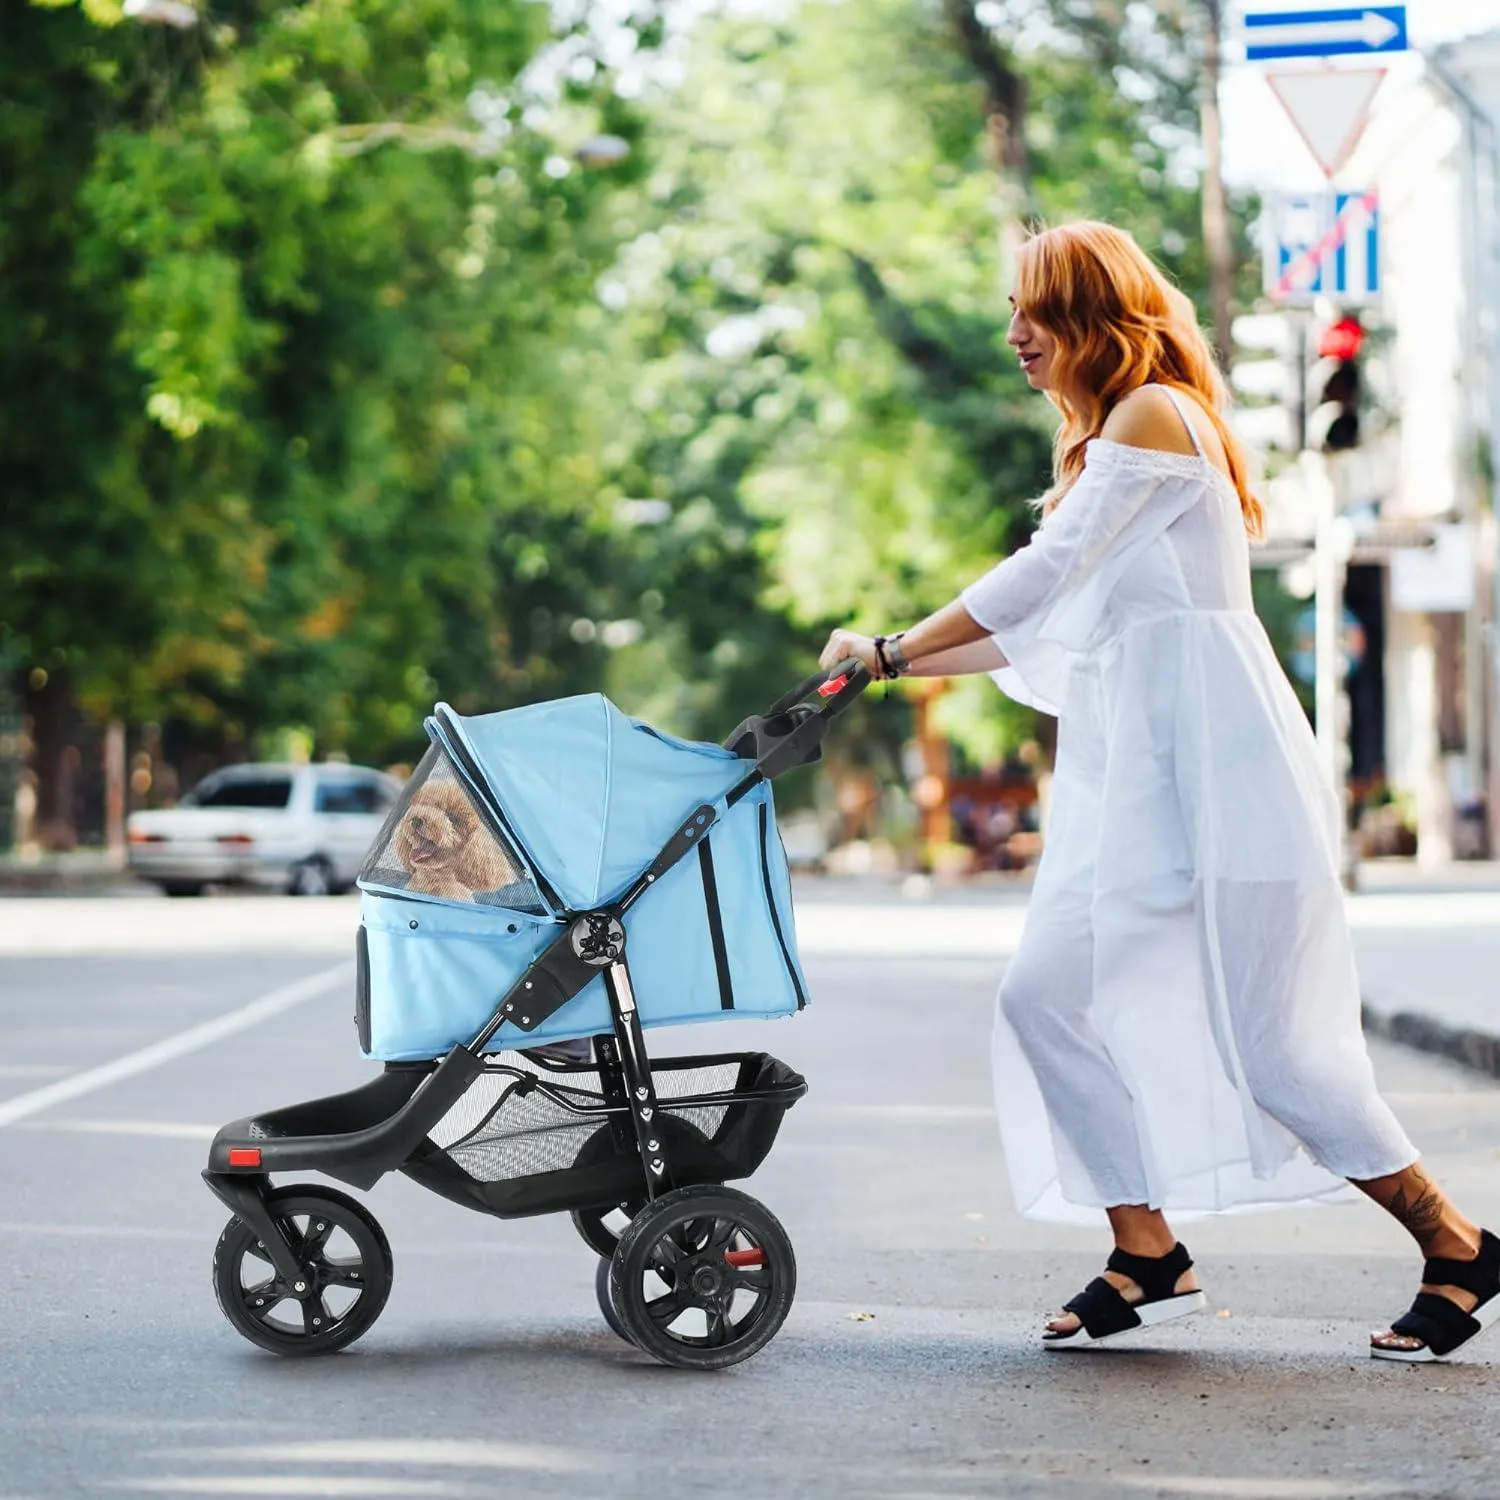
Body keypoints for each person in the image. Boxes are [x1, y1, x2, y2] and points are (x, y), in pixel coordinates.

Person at [818, 220, 1499, 1363]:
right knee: (1044, 997)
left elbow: (1041, 576)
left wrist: (890, 646)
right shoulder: (1099, 447)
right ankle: (1146, 1248)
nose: (1014, 336)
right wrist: (877, 671)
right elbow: (1048, 616)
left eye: (1036, 313)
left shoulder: (1155, 416)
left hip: (1220, 771)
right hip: (1133, 779)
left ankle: (1457, 1245)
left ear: (1094, 317)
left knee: (1277, 1045)